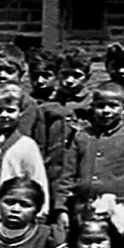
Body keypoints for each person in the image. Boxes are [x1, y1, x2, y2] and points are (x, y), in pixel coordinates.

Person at [55, 83, 124, 236]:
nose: (106, 111)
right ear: (92, 108)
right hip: (83, 210)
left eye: (113, 106)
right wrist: (61, 208)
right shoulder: (82, 137)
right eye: (101, 106)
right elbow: (68, 175)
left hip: (117, 212)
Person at [0, 83, 49, 227]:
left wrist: (41, 211)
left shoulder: (27, 146)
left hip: (12, 219)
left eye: (10, 110)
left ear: (20, 112)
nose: (4, 115)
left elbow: (37, 179)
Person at [38, 48, 92, 186]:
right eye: (64, 74)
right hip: (53, 170)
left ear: (87, 77)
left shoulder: (93, 104)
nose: (69, 80)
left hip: (85, 170)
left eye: (76, 75)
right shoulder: (47, 106)